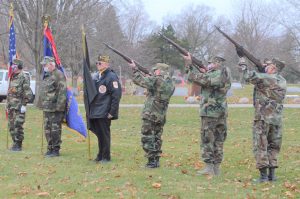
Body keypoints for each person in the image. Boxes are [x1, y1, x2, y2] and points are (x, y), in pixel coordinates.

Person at [238, 57, 287, 182]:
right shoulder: (282, 80)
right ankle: (272, 175)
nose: (265, 67)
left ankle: (263, 176)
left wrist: (243, 62)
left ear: (273, 68)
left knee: (260, 146)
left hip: (263, 118)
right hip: (276, 119)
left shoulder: (267, 78)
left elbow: (248, 76)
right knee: (273, 146)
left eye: (268, 66)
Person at [183, 53, 231, 176]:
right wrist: (203, 70)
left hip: (210, 112)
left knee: (207, 139)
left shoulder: (215, 74)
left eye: (211, 63)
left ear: (216, 64)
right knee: (219, 140)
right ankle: (216, 168)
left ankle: (209, 167)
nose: (208, 65)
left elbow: (193, 77)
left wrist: (189, 63)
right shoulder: (225, 74)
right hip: (221, 113)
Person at [128, 61, 175, 168]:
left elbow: (138, 80)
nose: (154, 72)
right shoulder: (170, 82)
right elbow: (156, 88)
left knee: (147, 136)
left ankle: (151, 161)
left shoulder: (156, 79)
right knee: (157, 137)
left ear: (159, 71)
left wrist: (135, 69)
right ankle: (156, 160)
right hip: (161, 114)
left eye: (155, 70)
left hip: (151, 113)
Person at [90, 55, 122, 163]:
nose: (98, 65)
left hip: (105, 111)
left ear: (107, 64)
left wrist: (112, 112)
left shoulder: (111, 77)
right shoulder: (98, 76)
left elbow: (116, 95)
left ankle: (106, 156)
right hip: (97, 110)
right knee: (100, 134)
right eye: (97, 63)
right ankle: (100, 155)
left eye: (100, 63)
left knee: (104, 134)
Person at [40, 56, 67, 157]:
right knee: (47, 129)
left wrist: (59, 108)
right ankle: (50, 147)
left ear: (51, 64)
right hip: (47, 107)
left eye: (45, 65)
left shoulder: (58, 75)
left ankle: (56, 149)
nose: (44, 67)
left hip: (55, 108)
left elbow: (62, 92)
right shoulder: (47, 75)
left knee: (55, 129)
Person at [6, 58, 33, 151]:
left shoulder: (23, 76)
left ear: (19, 66)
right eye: (12, 65)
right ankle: (14, 143)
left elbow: (28, 92)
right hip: (11, 106)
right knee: (11, 126)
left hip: (19, 106)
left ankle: (18, 144)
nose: (12, 67)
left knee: (18, 125)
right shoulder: (13, 76)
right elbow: (10, 92)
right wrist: (7, 105)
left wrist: (24, 105)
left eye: (14, 65)